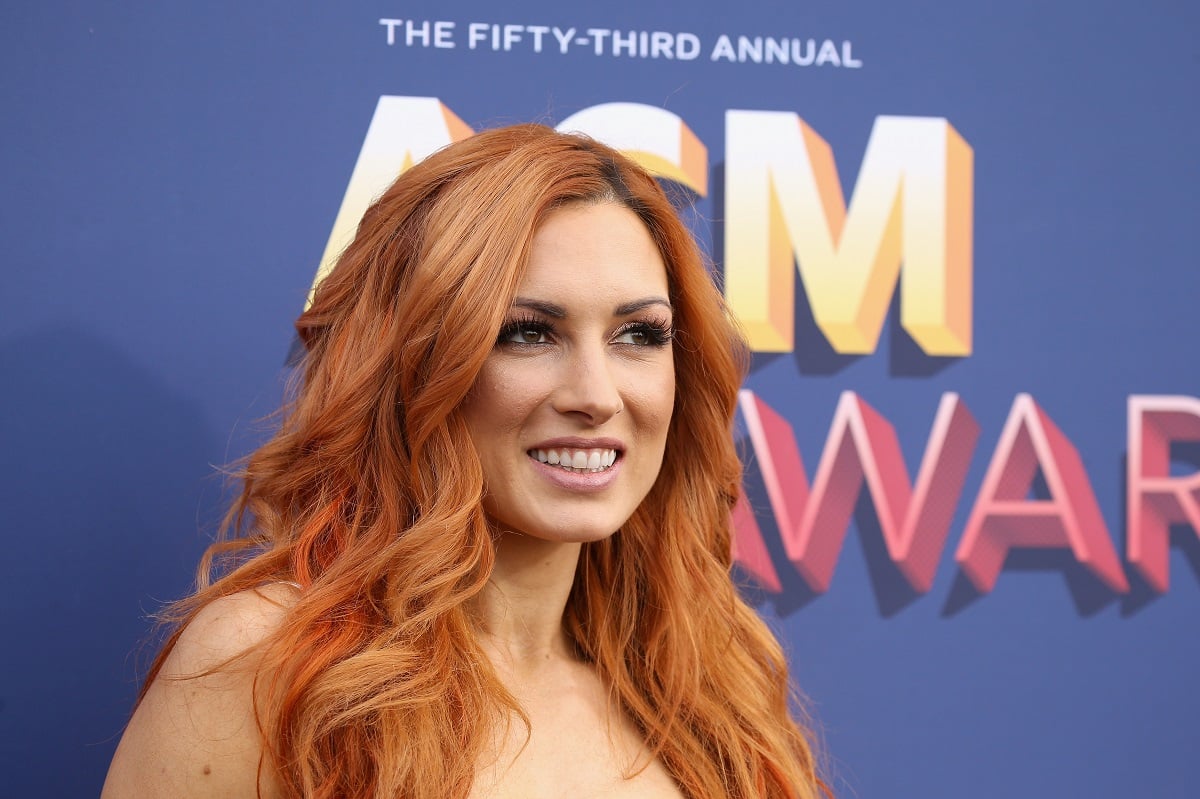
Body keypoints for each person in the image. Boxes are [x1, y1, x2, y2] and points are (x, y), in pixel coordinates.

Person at [102, 124, 829, 798]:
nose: (596, 395)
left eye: (638, 334)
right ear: (411, 363)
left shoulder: (708, 687)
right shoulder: (266, 665)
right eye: (526, 333)